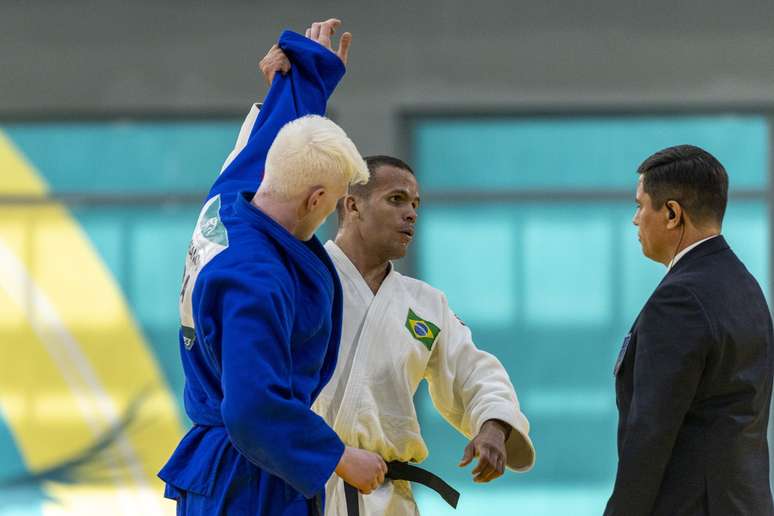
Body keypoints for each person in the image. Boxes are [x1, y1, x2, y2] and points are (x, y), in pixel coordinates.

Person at [158, 21, 388, 515]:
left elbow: (275, 141)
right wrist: (339, 458)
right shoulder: (254, 282)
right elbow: (251, 408)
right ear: (315, 197)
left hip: (240, 467)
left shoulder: (231, 200)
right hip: (248, 481)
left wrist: (307, 75)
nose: (334, 216)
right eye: (333, 205)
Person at [605, 145, 774, 515]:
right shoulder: (745, 286)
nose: (635, 220)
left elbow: (652, 432)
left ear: (671, 213)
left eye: (639, 205)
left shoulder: (679, 299)